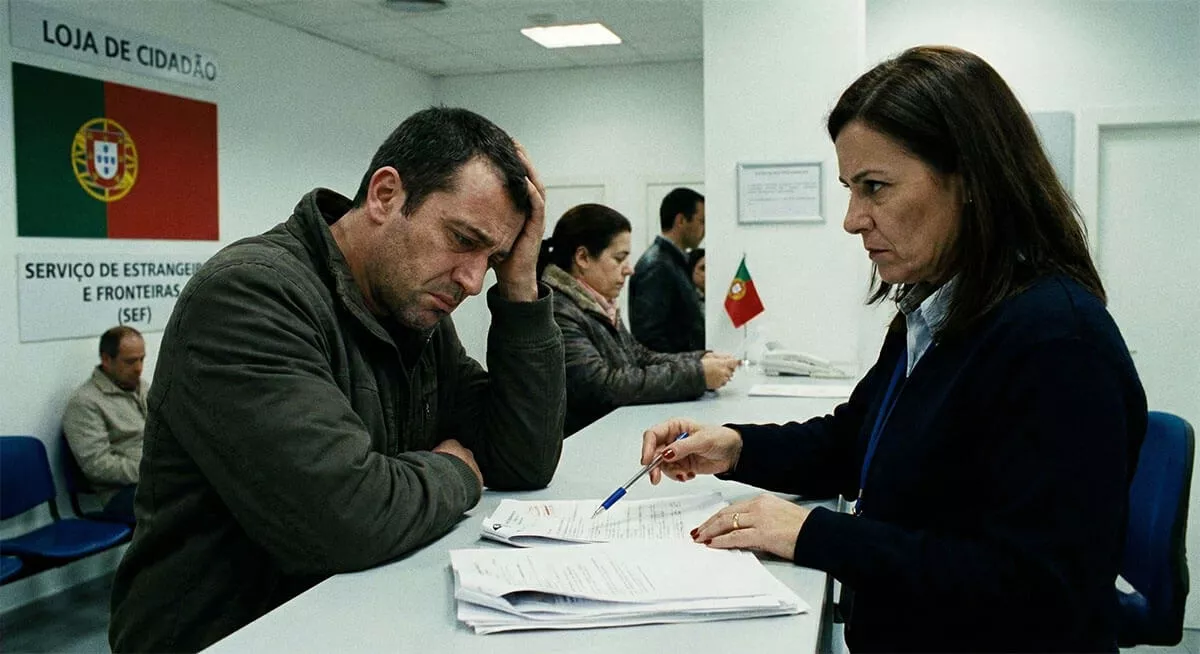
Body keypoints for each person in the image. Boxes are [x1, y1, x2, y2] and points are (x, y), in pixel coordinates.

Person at [640, 46, 1146, 652]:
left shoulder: (1057, 342)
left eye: (875, 187)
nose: (853, 219)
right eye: (850, 188)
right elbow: (858, 440)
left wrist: (814, 533)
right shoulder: (933, 310)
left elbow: (1037, 589)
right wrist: (736, 448)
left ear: (970, 180)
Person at [109, 108, 565, 653]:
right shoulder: (248, 295)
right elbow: (345, 520)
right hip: (226, 634)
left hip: (345, 619)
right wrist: (455, 471)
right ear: (385, 195)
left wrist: (520, 287)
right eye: (463, 238)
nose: (471, 280)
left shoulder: (415, 312)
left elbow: (523, 460)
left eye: (492, 259)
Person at [537, 205, 737, 436]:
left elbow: (639, 356)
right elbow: (601, 386)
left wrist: (700, 359)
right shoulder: (558, 311)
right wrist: (698, 375)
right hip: (585, 441)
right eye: (619, 258)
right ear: (582, 257)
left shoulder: (598, 304)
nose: (629, 270)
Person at [62, 325, 147, 523]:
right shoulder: (85, 402)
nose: (139, 368)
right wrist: (151, 469)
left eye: (142, 359)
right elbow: (98, 466)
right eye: (130, 361)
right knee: (189, 504)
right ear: (107, 360)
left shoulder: (141, 388)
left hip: (157, 479)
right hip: (121, 493)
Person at [629, 187, 705, 353]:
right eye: (701, 221)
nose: (705, 230)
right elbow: (649, 337)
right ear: (681, 220)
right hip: (671, 367)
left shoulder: (673, 261)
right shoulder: (657, 266)